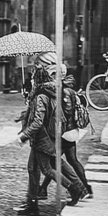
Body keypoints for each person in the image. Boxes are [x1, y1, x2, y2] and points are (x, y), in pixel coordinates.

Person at [14, 53, 88, 216]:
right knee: (36, 167)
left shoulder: (42, 95)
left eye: (34, 76)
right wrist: (27, 109)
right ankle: (32, 203)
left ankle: (74, 188)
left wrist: (23, 136)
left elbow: (39, 120)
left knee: (47, 169)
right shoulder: (50, 92)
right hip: (49, 136)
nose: (32, 79)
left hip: (43, 137)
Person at [38, 69, 93, 199]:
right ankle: (86, 188)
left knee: (54, 162)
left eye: (52, 74)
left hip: (64, 133)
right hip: (71, 131)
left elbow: (64, 113)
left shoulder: (63, 91)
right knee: (71, 161)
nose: (50, 77)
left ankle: (79, 189)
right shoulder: (69, 89)